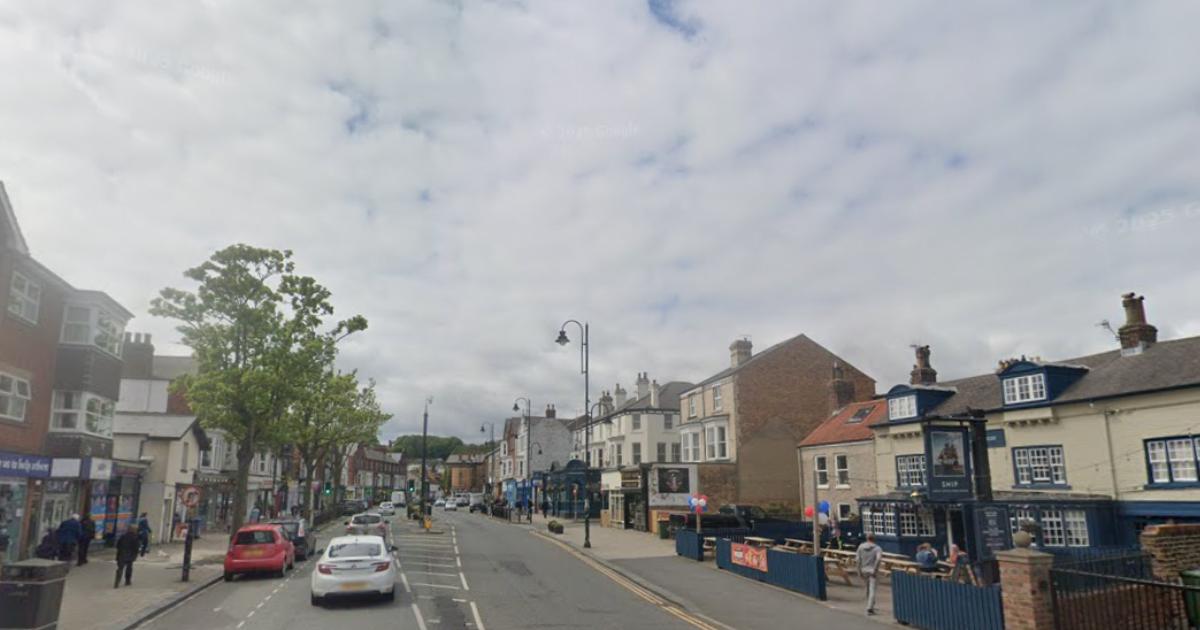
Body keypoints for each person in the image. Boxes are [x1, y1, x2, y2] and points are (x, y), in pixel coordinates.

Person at [856, 533, 883, 616]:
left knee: (867, 588)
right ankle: (870, 608)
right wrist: (875, 569)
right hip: (872, 571)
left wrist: (858, 571)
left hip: (864, 570)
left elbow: (858, 560)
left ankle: (870, 604)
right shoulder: (877, 548)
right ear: (874, 539)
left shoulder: (860, 547)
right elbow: (878, 559)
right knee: (872, 590)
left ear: (866, 538)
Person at [115, 524, 140, 588]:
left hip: (122, 554)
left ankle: (117, 581)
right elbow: (136, 548)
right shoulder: (135, 537)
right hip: (130, 555)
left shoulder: (123, 536)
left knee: (120, 568)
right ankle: (127, 581)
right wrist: (135, 555)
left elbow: (118, 545)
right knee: (129, 568)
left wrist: (119, 552)